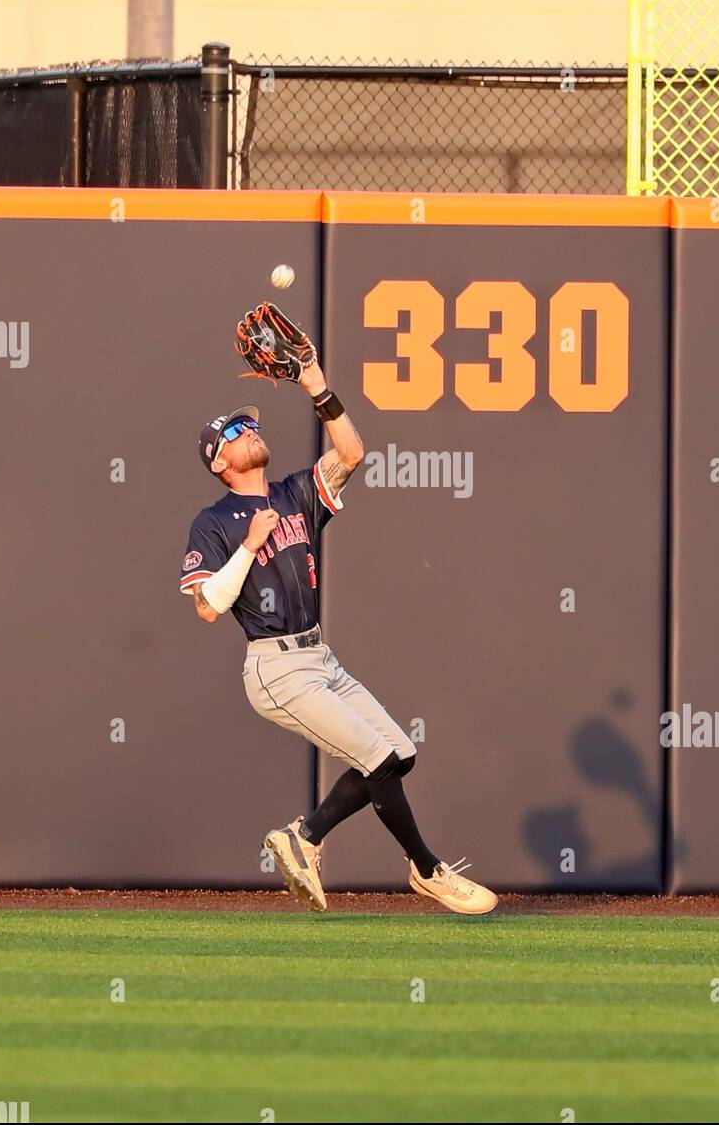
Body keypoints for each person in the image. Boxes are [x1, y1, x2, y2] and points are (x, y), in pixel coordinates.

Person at [179, 359, 498, 916]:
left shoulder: (293, 493)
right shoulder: (215, 520)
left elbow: (352, 454)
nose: (249, 430)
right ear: (219, 459)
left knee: (400, 753)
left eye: (248, 424)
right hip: (274, 667)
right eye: (235, 430)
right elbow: (207, 607)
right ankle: (429, 872)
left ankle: (305, 837)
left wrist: (316, 387)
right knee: (377, 760)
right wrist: (250, 546)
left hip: (319, 656)